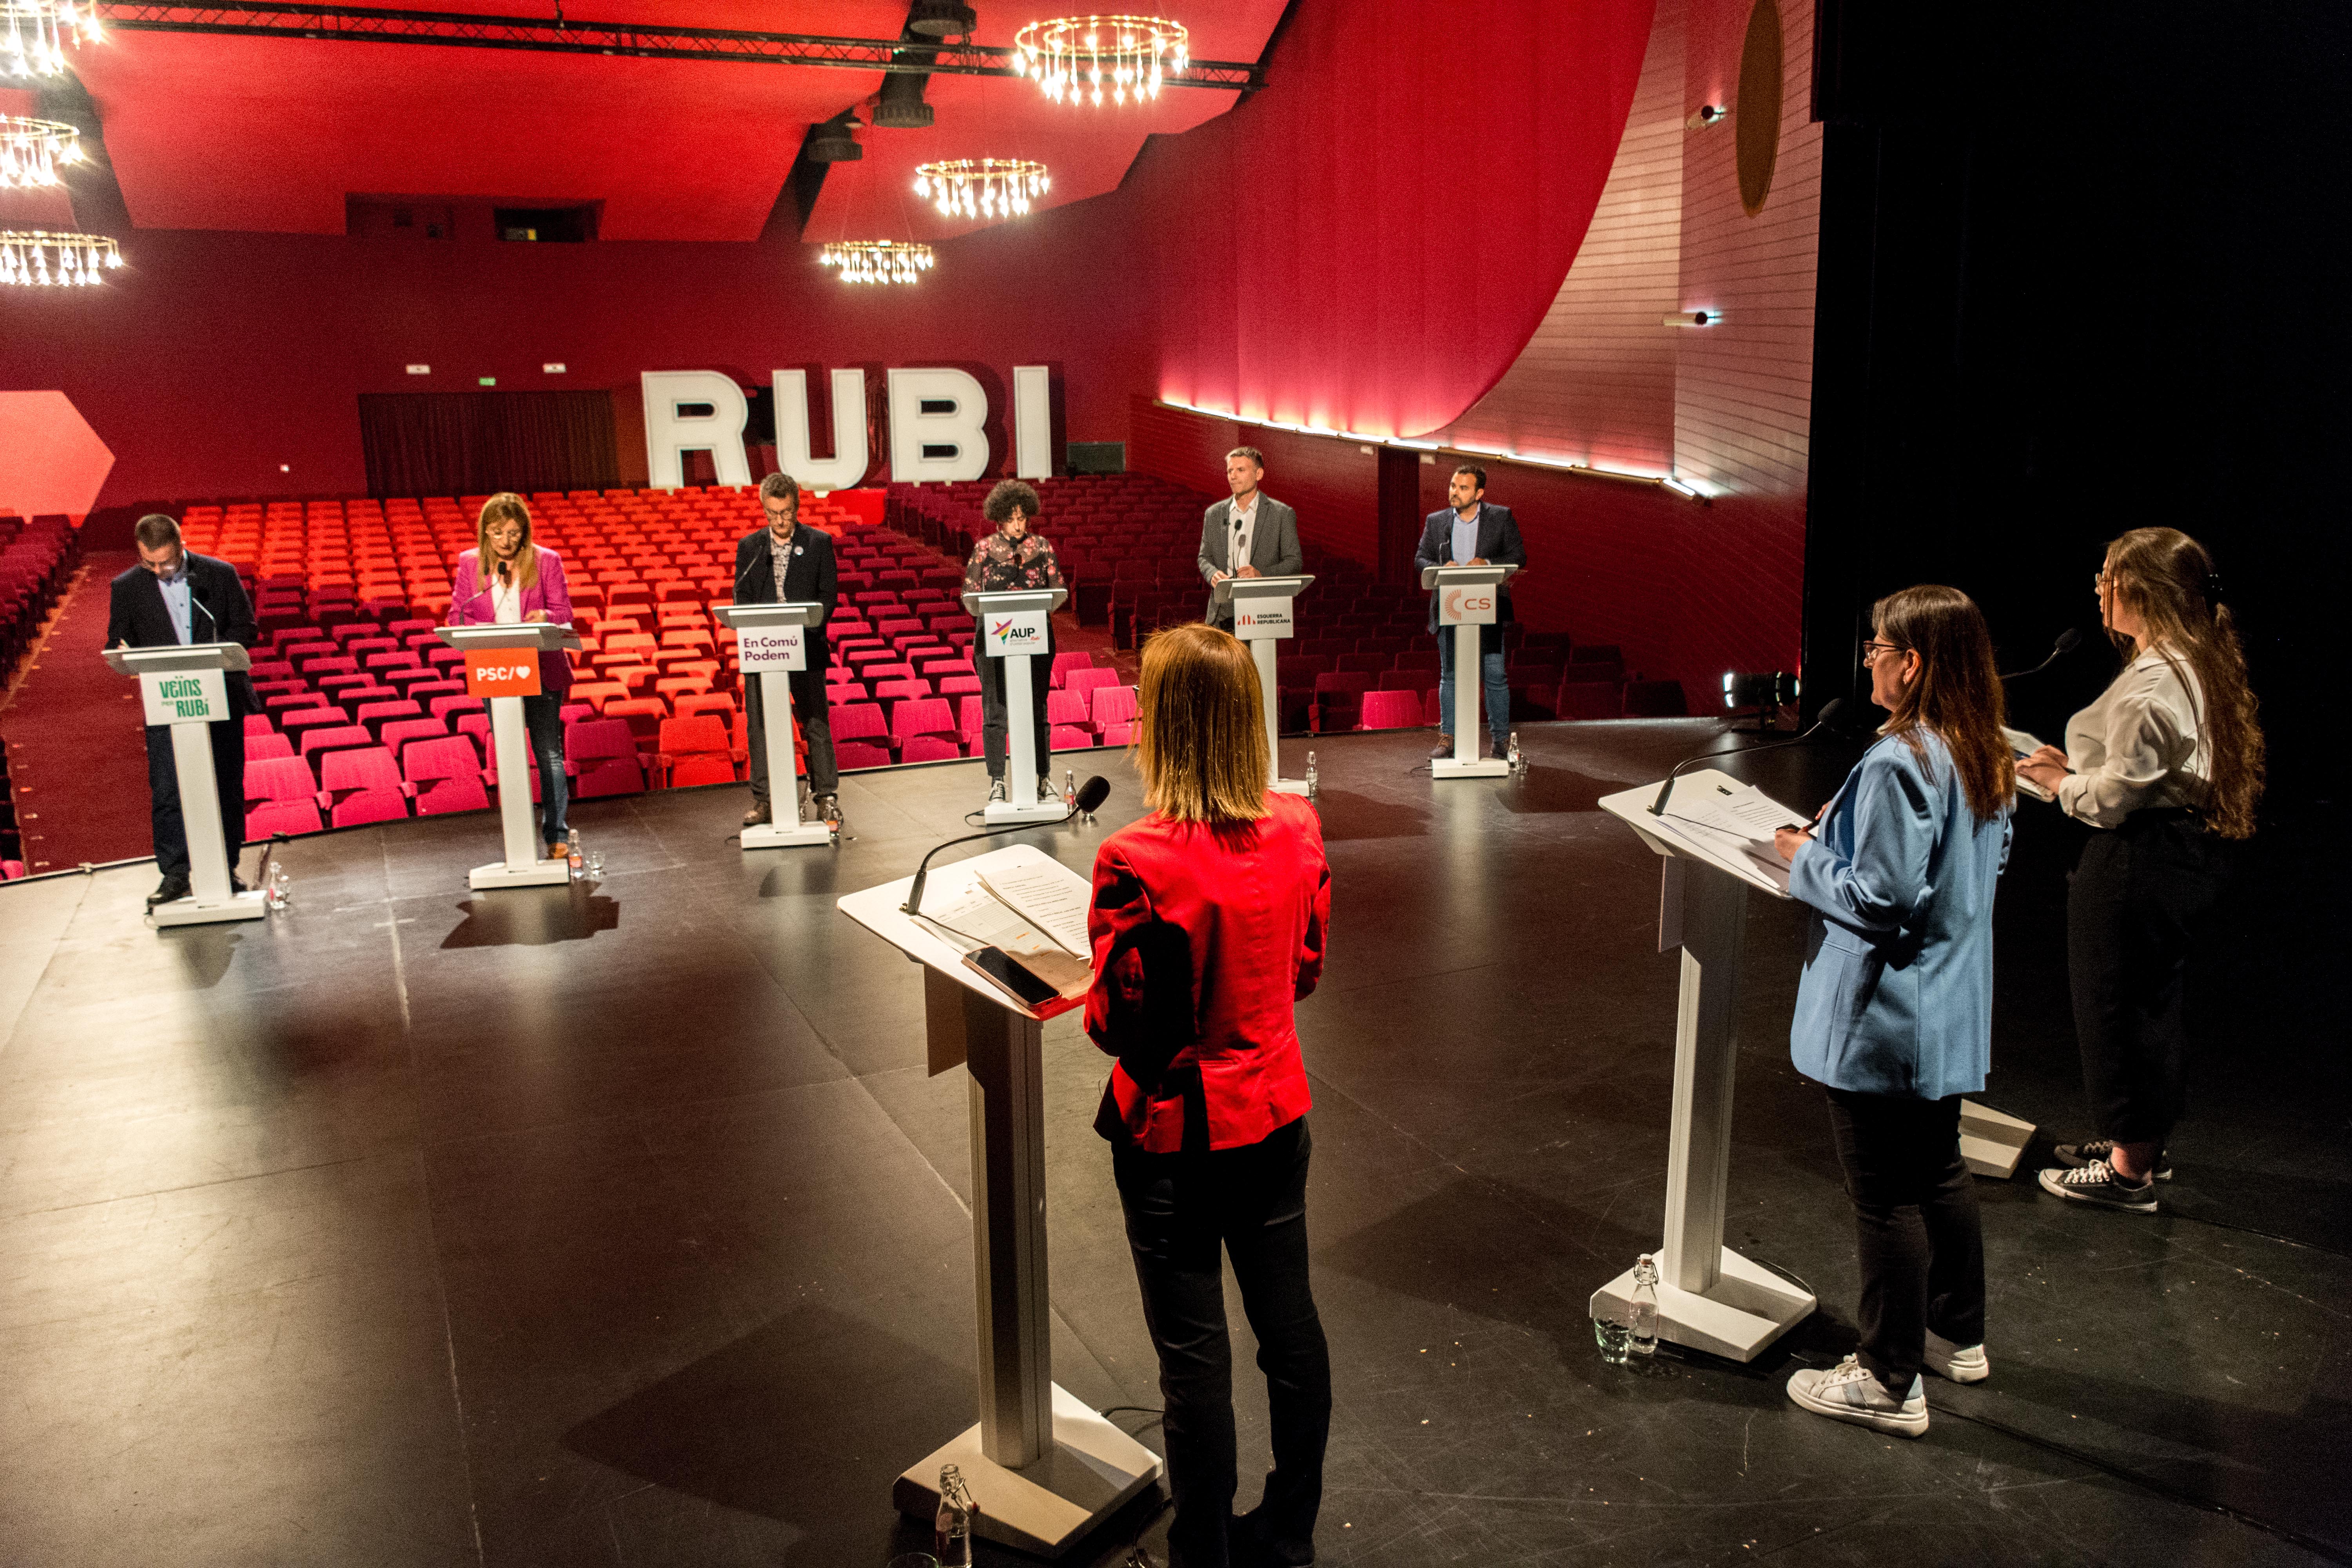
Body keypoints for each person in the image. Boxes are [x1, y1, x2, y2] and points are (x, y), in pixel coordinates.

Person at [1085, 622, 1332, 1568]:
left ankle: (1203, 1553)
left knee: (1195, 1365)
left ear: (1167, 726)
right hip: (1275, 1111)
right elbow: (1305, 969)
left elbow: (1116, 1024)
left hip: (1175, 1141)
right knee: (1290, 1329)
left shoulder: (1135, 857)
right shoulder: (1298, 824)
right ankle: (1291, 1530)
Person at [1773, 585, 2014, 1439]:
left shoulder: (1900, 759)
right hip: (1947, 1002)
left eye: (1877, 648)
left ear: (1911, 663)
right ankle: (1958, 1333)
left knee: (1885, 1195)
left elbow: (1877, 899)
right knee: (1939, 1166)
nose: (1867, 660)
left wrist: (1806, 859)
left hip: (1888, 1012)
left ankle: (1887, 1378)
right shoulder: (1982, 749)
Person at [2019, 528, 2263, 1213]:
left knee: (2116, 1004)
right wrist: (2074, 773)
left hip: (2142, 857)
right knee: (2144, 1001)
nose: (2100, 590)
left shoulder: (2158, 680)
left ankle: (2130, 1173)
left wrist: (2057, 785)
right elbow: (2141, 772)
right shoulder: (2187, 656)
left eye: (2108, 577)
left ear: (2141, 590)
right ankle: (2140, 1139)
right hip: (2171, 852)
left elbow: (2116, 797)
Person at [106, 513, 258, 908]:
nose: (160, 570)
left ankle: (226, 866)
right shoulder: (126, 587)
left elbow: (246, 628)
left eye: (168, 562)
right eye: (150, 564)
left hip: (219, 695)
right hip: (167, 700)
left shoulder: (219, 574)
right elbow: (118, 637)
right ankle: (175, 874)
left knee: (226, 785)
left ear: (181, 545)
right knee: (168, 790)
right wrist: (123, 650)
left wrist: (215, 655)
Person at [450, 493, 575, 859]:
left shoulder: (546, 560)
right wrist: (488, 628)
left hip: (541, 666)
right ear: (484, 533)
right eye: (497, 534)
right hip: (497, 669)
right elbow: (458, 615)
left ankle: (557, 837)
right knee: (507, 752)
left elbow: (563, 611)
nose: (506, 542)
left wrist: (544, 618)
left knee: (548, 752)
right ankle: (518, 842)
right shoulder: (470, 564)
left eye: (514, 533)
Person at [733, 472, 840, 827]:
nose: (780, 521)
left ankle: (826, 797)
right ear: (764, 510)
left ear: (797, 507)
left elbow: (828, 598)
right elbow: (743, 599)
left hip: (806, 647)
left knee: (815, 723)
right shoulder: (750, 548)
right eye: (773, 513)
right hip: (763, 651)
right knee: (759, 726)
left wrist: (804, 627)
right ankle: (765, 800)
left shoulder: (819, 542)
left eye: (787, 513)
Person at [1414, 465, 1526, 760]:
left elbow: (1518, 556)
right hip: (1450, 606)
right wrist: (1438, 568)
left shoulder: (1501, 517)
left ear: (1479, 494)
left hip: (1487, 606)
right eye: (1453, 486)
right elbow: (1420, 558)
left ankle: (1500, 741)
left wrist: (1487, 563)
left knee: (1495, 675)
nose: (1454, 492)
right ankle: (1449, 738)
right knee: (1449, 676)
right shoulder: (1436, 521)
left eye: (1463, 488)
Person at [965, 478, 1064, 804]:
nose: (1019, 525)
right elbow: (970, 596)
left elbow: (1058, 592)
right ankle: (997, 781)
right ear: (999, 518)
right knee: (995, 709)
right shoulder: (983, 550)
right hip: (993, 637)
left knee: (1038, 708)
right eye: (1012, 519)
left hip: (1035, 634)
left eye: (1024, 518)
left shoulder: (1043, 548)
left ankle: (1043, 777)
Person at [1196, 447, 1303, 626]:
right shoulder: (1214, 514)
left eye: (1241, 470)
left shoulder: (1281, 514)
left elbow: (1294, 562)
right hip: (1223, 612)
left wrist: (1262, 574)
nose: (1233, 476)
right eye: (1230, 471)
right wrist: (1212, 573)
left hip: (1262, 612)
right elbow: (1204, 558)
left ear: (1259, 474)